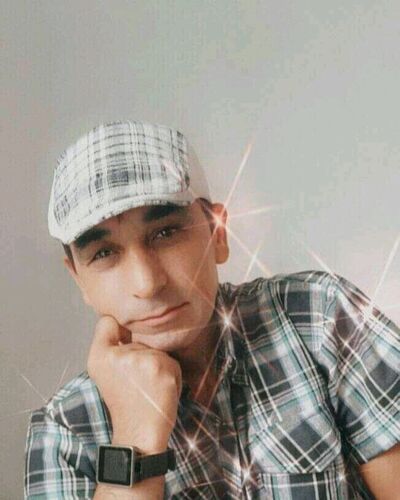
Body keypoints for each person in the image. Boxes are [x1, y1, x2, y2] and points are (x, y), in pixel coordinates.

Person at [25, 120, 400, 499]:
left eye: (165, 233)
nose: (147, 283)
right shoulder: (64, 432)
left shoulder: (319, 318)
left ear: (217, 233)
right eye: (104, 253)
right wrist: (136, 436)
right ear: (79, 280)